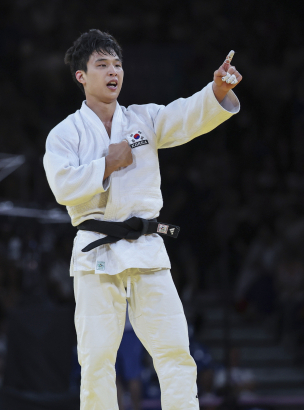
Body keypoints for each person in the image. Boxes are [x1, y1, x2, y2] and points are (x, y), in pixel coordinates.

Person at [43, 29, 241, 410]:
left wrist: (215, 91)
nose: (113, 71)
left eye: (117, 64)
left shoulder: (143, 121)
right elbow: (63, 187)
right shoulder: (65, 134)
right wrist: (107, 164)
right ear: (81, 76)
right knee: (98, 359)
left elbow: (184, 117)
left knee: (175, 351)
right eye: (102, 65)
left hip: (147, 249)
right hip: (96, 254)